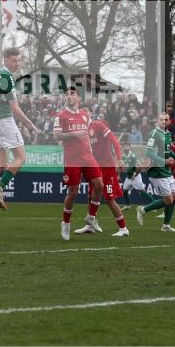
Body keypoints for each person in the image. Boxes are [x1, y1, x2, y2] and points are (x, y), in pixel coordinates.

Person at [0, 47, 37, 211]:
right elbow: (15, 107)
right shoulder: (7, 78)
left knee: (1, 160)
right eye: (14, 60)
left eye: (19, 60)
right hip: (4, 120)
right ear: (5, 60)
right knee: (21, 158)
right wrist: (29, 123)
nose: (17, 63)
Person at [53, 86, 104, 241]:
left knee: (99, 185)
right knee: (73, 192)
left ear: (79, 98)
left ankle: (91, 217)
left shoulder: (84, 115)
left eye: (72, 94)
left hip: (88, 157)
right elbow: (56, 136)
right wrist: (73, 134)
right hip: (72, 159)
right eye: (66, 94)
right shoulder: (61, 115)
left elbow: (89, 134)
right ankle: (66, 223)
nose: (69, 96)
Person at [77, 116, 129, 236]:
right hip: (94, 167)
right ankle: (90, 225)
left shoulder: (98, 125)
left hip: (107, 166)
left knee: (109, 198)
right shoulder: (81, 131)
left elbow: (114, 140)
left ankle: (123, 228)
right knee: (91, 195)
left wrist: (119, 159)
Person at [136, 113, 175, 232]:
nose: (164, 121)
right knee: (168, 200)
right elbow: (149, 153)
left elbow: (168, 150)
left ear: (169, 121)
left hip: (165, 170)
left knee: (174, 197)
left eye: (166, 119)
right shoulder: (154, 134)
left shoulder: (168, 134)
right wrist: (165, 161)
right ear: (157, 121)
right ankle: (143, 210)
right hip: (157, 171)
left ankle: (166, 226)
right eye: (161, 120)